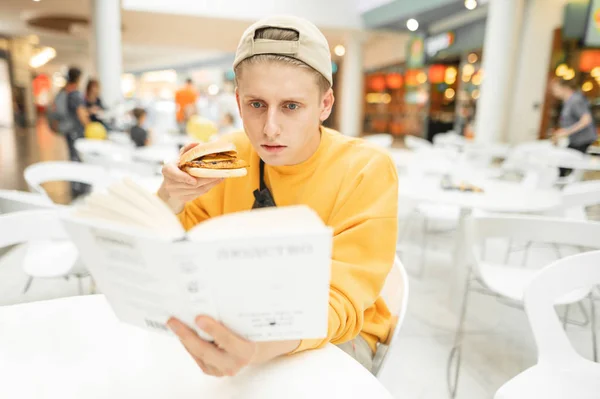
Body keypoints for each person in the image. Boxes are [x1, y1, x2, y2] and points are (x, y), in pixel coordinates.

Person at [158, 16, 399, 377]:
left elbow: (341, 304)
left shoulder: (365, 169)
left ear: (325, 104)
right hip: (239, 317)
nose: (270, 128)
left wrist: (257, 349)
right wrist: (168, 198)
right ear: (239, 102)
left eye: (291, 106)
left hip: (337, 337)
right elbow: (169, 259)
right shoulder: (226, 157)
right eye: (257, 105)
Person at [550, 78, 597, 153]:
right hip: (575, 140)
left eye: (555, 89)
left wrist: (566, 132)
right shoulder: (567, 101)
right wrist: (561, 132)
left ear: (565, 88)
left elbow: (586, 120)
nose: (554, 92)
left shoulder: (575, 100)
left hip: (582, 141)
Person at [64, 67, 91, 198]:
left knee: (73, 155)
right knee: (78, 157)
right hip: (76, 130)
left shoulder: (67, 91)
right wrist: (89, 126)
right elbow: (80, 112)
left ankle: (75, 184)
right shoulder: (75, 94)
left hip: (69, 130)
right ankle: (79, 186)